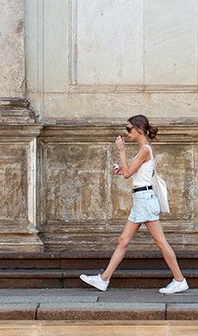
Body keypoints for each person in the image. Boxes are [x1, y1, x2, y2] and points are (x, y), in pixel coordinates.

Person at [81, 114, 189, 298]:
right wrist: (121, 169)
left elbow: (128, 174)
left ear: (139, 128)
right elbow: (132, 172)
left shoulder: (145, 149)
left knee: (160, 241)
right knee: (123, 240)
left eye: (129, 128)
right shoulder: (144, 149)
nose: (126, 132)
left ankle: (179, 280)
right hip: (141, 198)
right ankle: (104, 279)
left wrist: (121, 152)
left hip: (145, 199)